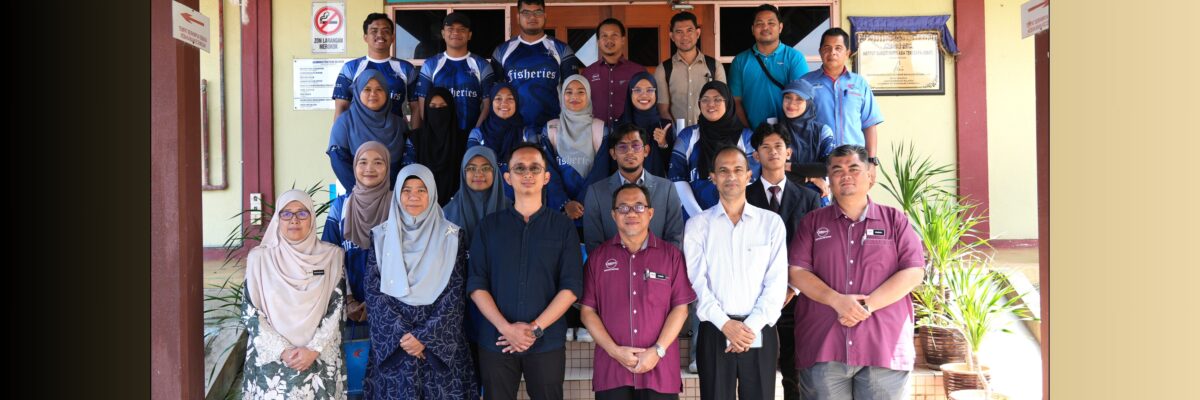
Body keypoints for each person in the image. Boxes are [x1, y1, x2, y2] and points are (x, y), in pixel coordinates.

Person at [788, 145, 925, 400]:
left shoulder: (895, 220)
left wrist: (866, 306)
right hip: (824, 345)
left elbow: (914, 271)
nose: (845, 175)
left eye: (854, 169)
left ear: (870, 175)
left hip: (883, 346)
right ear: (829, 179)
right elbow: (797, 272)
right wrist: (836, 300)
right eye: (837, 170)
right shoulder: (812, 223)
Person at [467, 143, 584, 400]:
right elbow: (476, 285)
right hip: (496, 340)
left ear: (546, 177)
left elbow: (571, 286)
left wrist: (535, 328)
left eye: (535, 168)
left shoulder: (563, 227)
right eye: (519, 168)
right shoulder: (489, 227)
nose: (527, 174)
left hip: (546, 340)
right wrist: (506, 328)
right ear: (508, 177)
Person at [362, 164, 478, 399]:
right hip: (396, 348)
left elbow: (455, 294)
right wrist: (404, 337)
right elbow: (374, 293)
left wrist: (424, 338)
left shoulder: (452, 236)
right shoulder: (380, 237)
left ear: (432, 193)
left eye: (421, 190)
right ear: (397, 194)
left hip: (439, 348)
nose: (413, 196)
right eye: (406, 190)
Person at [683, 147, 789, 399]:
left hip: (759, 329)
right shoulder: (697, 225)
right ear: (713, 177)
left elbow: (776, 283)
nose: (731, 176)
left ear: (749, 176)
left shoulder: (770, 223)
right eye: (723, 171)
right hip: (715, 329)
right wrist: (726, 324)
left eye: (738, 170)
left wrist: (749, 327)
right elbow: (697, 283)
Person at [579, 183, 696, 400]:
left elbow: (681, 309)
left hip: (660, 372)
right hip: (612, 372)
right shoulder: (597, 258)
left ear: (650, 213)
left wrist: (658, 350)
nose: (631, 213)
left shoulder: (671, 256)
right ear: (614, 215)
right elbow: (587, 312)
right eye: (623, 208)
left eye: (639, 207)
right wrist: (615, 351)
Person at [241, 190, 347, 399]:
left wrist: (313, 349)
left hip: (317, 361)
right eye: (286, 213)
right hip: (272, 365)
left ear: (312, 218)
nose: (294, 220)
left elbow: (337, 308)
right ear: (278, 219)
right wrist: (282, 350)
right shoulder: (259, 259)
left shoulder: (332, 256)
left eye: (302, 213)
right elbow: (250, 311)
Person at [745, 122, 822, 400]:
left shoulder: (809, 198)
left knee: (795, 371)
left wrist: (792, 288)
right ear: (756, 155)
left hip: (795, 298)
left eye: (778, 146)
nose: (773, 152)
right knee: (755, 372)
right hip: (752, 297)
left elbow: (814, 250)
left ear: (788, 152)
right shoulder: (744, 197)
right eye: (765, 147)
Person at [443, 146, 513, 389]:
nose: (478, 174)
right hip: (460, 310)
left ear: (496, 172)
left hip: (503, 308)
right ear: (463, 173)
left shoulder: (512, 211)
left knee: (497, 382)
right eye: (471, 168)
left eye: (485, 168)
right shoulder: (446, 214)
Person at [321, 142, 394, 356]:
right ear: (354, 167)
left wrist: (380, 302)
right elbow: (329, 256)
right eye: (363, 162)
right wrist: (348, 300)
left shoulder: (398, 206)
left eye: (378, 162)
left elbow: (408, 259)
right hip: (352, 310)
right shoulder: (340, 206)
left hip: (393, 309)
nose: (369, 168)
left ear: (388, 167)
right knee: (356, 366)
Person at [581, 123, 683, 253]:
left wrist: (657, 263)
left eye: (636, 146)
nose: (630, 152)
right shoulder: (596, 192)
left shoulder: (667, 189)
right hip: (612, 265)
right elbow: (593, 245)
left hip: (659, 264)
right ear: (613, 153)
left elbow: (675, 238)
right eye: (622, 147)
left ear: (646, 151)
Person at [667, 81, 760, 219]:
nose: (711, 104)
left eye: (717, 99)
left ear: (728, 102)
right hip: (694, 219)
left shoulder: (746, 138)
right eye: (705, 100)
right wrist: (699, 217)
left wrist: (730, 216)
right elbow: (677, 178)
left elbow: (751, 180)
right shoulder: (688, 136)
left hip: (736, 218)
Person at [490, 0, 584, 128]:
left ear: (545, 16)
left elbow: (573, 92)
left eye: (537, 12)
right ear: (518, 17)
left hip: (553, 128)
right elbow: (495, 95)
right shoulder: (502, 51)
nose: (532, 17)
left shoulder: (562, 49)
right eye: (526, 13)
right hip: (513, 129)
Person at [801, 28, 884, 160]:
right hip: (817, 160)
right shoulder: (806, 82)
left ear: (847, 53)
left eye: (838, 48)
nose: (832, 52)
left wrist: (872, 160)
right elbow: (797, 125)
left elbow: (869, 125)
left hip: (854, 159)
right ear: (820, 52)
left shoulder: (859, 83)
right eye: (827, 48)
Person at [328, 70, 413, 191]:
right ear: (358, 92)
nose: (373, 94)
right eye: (367, 89)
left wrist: (393, 193)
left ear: (386, 93)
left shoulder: (399, 124)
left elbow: (407, 162)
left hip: (393, 194)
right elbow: (338, 161)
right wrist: (362, 192)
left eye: (379, 89)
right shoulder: (345, 122)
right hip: (355, 194)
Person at [729, 4, 810, 128]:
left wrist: (788, 133)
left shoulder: (794, 58)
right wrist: (748, 132)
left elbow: (801, 98)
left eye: (771, 23)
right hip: (752, 133)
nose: (765, 27)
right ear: (752, 29)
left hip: (787, 133)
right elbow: (736, 101)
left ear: (780, 27)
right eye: (759, 23)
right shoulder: (740, 61)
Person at [540, 74, 608, 223]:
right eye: (568, 92)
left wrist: (581, 204)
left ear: (588, 95)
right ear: (562, 96)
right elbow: (547, 170)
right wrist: (565, 203)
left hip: (591, 209)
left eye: (580, 92)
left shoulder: (600, 128)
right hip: (558, 210)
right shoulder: (551, 128)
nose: (574, 96)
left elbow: (601, 171)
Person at [414, 12, 495, 130]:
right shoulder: (430, 65)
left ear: (469, 35)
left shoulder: (482, 65)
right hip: (439, 134)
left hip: (471, 135)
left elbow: (488, 105)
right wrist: (436, 133)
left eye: (462, 29)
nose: (456, 33)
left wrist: (476, 133)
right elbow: (423, 105)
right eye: (450, 29)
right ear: (443, 33)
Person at [333, 13, 418, 125]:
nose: (380, 35)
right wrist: (338, 135)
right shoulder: (351, 68)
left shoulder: (406, 68)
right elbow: (341, 108)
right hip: (359, 133)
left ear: (392, 37)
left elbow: (416, 107)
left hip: (396, 133)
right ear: (365, 37)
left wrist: (416, 135)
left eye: (386, 31)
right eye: (374, 31)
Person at [653, 11, 726, 127]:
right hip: (678, 134)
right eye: (679, 32)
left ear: (697, 33)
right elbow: (663, 110)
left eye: (689, 30)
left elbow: (722, 105)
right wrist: (676, 134)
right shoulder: (663, 69)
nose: (685, 36)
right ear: (672, 36)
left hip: (709, 133)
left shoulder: (715, 66)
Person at [779, 80, 835, 204]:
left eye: (799, 99)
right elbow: (770, 169)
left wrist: (788, 166)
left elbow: (828, 167)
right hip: (782, 196)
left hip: (816, 197)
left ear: (809, 103)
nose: (791, 104)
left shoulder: (822, 131)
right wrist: (812, 177)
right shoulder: (774, 130)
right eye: (788, 97)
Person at [410, 87, 468, 205]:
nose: (438, 111)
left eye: (442, 106)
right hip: (422, 204)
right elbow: (410, 174)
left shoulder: (463, 139)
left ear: (451, 108)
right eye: (432, 107)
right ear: (426, 110)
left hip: (456, 205)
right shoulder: (415, 139)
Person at [583, 18, 647, 125]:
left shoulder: (638, 71)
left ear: (623, 40)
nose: (609, 40)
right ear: (598, 41)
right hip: (596, 132)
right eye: (604, 36)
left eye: (614, 35)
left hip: (630, 133)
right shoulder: (587, 73)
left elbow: (647, 105)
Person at [614, 72, 674, 177]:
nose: (644, 95)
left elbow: (673, 165)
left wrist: (663, 144)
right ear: (630, 93)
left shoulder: (665, 126)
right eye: (637, 90)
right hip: (626, 184)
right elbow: (612, 165)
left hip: (658, 185)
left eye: (650, 90)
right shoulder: (619, 126)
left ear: (656, 93)